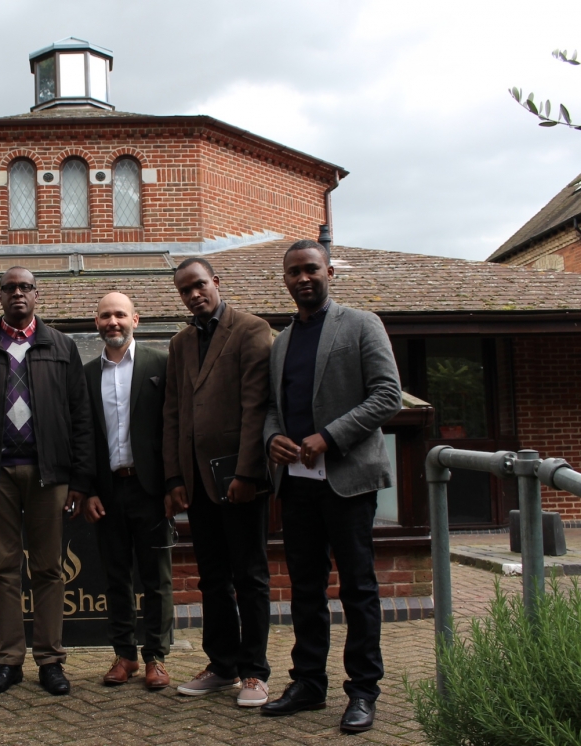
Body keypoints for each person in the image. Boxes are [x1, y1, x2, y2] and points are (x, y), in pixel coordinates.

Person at [260, 239, 402, 734]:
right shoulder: (281, 342)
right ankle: (308, 683)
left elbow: (387, 395)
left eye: (311, 269)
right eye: (294, 272)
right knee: (305, 589)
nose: (303, 278)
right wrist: (272, 438)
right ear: (285, 279)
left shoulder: (361, 324)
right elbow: (273, 408)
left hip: (348, 481)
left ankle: (363, 690)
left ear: (329, 273)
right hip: (297, 485)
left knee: (358, 589)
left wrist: (330, 436)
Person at [0, 266, 94, 696]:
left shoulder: (61, 346)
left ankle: (50, 660)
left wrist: (80, 479)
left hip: (48, 473)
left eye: (25, 287)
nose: (17, 293)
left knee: (49, 568)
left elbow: (80, 415)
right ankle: (9, 661)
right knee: (3, 569)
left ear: (37, 295)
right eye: (9, 288)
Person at [162, 257, 275, 706]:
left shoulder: (250, 330)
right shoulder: (180, 343)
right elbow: (173, 412)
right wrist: (174, 476)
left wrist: (248, 473)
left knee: (250, 576)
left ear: (216, 282)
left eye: (199, 285)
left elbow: (256, 406)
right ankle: (222, 665)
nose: (194, 295)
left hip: (238, 478)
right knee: (212, 578)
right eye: (185, 290)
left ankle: (255, 672)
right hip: (197, 482)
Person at [82, 292, 174, 690]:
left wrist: (173, 485)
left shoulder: (160, 364)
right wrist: (87, 489)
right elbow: (83, 437)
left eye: (120, 314)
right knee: (115, 577)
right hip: (107, 491)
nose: (113, 322)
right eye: (105, 315)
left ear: (135, 319)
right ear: (97, 322)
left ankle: (156, 657)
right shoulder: (86, 374)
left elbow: (172, 428)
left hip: (150, 489)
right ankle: (125, 656)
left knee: (156, 578)